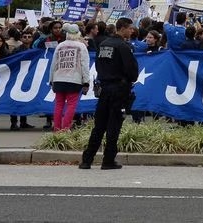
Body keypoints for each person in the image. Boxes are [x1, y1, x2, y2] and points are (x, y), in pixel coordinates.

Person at [79, 17, 139, 170]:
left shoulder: (103, 44)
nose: (132, 31)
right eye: (130, 28)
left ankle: (87, 159)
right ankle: (108, 160)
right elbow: (131, 70)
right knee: (114, 125)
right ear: (122, 28)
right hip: (118, 89)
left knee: (99, 125)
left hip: (104, 88)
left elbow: (99, 66)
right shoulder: (124, 46)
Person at [49, 24, 91, 132]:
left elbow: (53, 64)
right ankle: (66, 128)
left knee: (59, 104)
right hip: (74, 79)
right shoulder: (81, 46)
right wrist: (86, 81)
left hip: (58, 78)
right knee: (71, 105)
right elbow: (84, 65)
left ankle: (57, 129)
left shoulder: (60, 46)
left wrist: (51, 80)